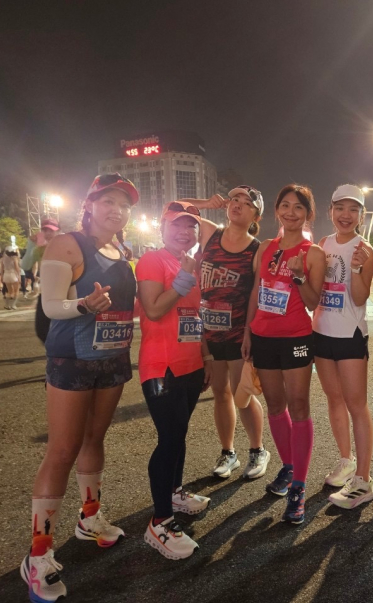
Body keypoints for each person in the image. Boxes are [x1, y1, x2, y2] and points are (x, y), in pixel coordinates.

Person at [21, 174, 138, 603]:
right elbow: (51, 305)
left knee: (94, 439)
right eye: (108, 201)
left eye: (123, 205)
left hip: (112, 358)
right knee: (62, 449)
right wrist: (85, 304)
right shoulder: (67, 245)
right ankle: (38, 553)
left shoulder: (123, 252)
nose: (116, 210)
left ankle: (89, 517)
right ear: (89, 205)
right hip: (71, 360)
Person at [242, 184, 326, 525]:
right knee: (275, 405)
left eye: (298, 207)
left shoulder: (313, 253)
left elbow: (313, 302)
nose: (291, 212)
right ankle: (289, 467)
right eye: (285, 205)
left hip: (296, 337)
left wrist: (299, 276)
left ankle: (299, 488)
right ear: (277, 210)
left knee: (299, 405)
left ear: (308, 214)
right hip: (263, 337)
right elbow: (256, 291)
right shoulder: (265, 247)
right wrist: (247, 331)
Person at [137, 201, 211, 560]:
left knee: (179, 434)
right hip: (161, 365)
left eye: (190, 227)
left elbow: (194, 315)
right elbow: (153, 309)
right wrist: (183, 279)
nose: (184, 232)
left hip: (190, 364)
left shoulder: (192, 262)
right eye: (176, 226)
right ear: (162, 229)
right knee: (168, 439)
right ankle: (160, 522)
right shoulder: (152, 260)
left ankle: (175, 492)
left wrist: (206, 357)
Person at [185, 185, 269, 481]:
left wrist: (249, 332)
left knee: (241, 393)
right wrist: (205, 202)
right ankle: (228, 452)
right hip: (208, 330)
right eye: (234, 199)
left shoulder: (256, 249)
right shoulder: (210, 233)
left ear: (255, 215)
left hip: (237, 332)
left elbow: (256, 293)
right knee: (220, 392)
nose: (238, 204)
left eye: (247, 203)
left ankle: (258, 450)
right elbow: (174, 209)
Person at [313, 184, 373, 509]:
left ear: (361, 216)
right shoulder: (322, 244)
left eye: (353, 209)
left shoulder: (364, 249)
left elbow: (361, 297)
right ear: (330, 211)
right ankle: (346, 460)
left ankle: (363, 481)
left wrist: (355, 267)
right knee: (333, 398)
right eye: (340, 208)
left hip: (350, 335)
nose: (346, 215)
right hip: (321, 332)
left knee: (356, 405)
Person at [22, 219, 61, 299]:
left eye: (51, 230)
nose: (48, 233)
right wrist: (31, 245)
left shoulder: (66, 247)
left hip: (65, 290)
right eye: (45, 230)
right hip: (47, 292)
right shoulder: (39, 250)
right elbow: (25, 266)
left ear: (58, 231)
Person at [0, 245, 22, 310]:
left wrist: (1, 276)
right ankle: (13, 305)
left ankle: (7, 305)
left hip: (6, 275)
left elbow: (1, 269)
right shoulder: (14, 258)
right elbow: (17, 268)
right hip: (13, 274)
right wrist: (19, 276)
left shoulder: (2, 259)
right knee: (16, 290)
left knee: (9, 291)